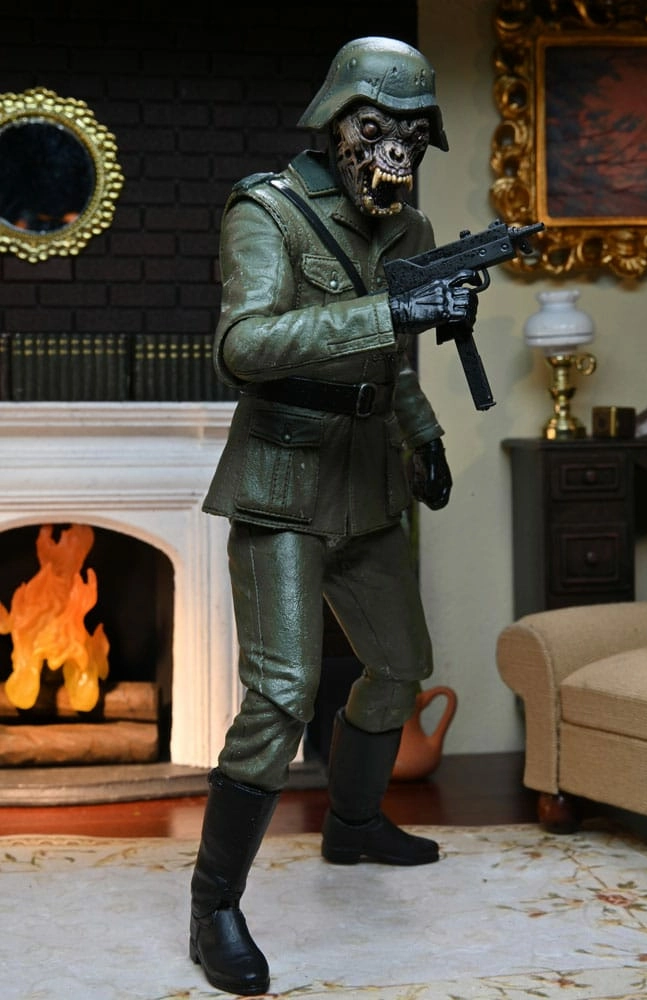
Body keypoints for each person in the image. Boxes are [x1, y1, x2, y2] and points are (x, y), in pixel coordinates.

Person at [189, 36, 479, 997]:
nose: (393, 151)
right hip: (281, 477)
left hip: (368, 478)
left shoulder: (410, 228)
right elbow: (243, 347)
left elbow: (395, 367)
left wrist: (424, 436)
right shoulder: (267, 209)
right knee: (281, 693)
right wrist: (388, 314)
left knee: (397, 666)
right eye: (375, 128)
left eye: (412, 134)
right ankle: (213, 906)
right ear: (335, 122)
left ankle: (351, 826)